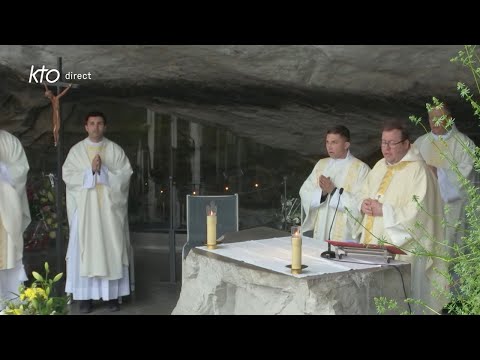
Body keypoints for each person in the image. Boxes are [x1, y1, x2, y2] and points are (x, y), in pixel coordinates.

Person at [356, 119, 448, 314]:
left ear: (406, 144)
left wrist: (384, 210)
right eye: (383, 142)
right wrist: (362, 204)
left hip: (403, 250)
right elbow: (364, 191)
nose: (386, 148)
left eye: (392, 143)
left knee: (400, 302)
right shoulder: (380, 166)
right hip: (372, 244)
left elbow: (419, 212)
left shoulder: (418, 171)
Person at [63, 111, 133, 313]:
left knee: (111, 249)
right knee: (83, 252)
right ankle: (85, 298)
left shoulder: (115, 150)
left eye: (100, 123)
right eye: (92, 123)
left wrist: (103, 172)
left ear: (105, 126)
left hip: (110, 215)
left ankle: (112, 297)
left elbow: (125, 175)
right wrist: (90, 172)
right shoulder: (76, 151)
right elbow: (68, 175)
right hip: (85, 213)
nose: (96, 127)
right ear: (85, 127)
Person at [414, 103, 476, 260]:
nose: (434, 122)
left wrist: (439, 172)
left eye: (439, 118)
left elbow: (468, 178)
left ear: (449, 118)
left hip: (452, 213)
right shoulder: (420, 143)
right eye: (430, 118)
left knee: (450, 257)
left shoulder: (464, 143)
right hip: (425, 209)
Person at [300, 125, 370, 242]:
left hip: (345, 235)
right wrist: (321, 194)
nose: (329, 146)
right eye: (327, 142)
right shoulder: (321, 164)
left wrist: (333, 192)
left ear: (346, 145)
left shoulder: (361, 169)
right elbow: (304, 191)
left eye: (334, 142)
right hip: (321, 230)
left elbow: (361, 203)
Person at [0, 130, 31, 309]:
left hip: (6, 212)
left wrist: (2, 167)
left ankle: (12, 307)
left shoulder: (9, 141)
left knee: (10, 258)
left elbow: (21, 170)